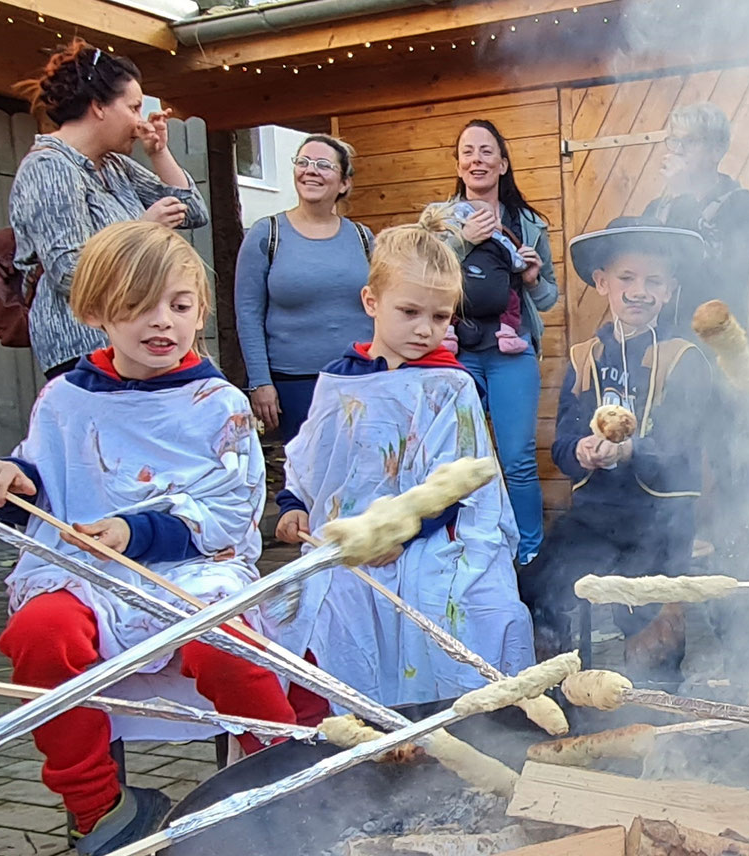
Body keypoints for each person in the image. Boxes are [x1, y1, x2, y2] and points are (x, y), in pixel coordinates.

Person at [0, 221, 295, 856]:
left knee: (229, 642)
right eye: (138, 306)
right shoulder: (65, 398)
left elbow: (232, 512)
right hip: (93, 573)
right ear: (96, 312)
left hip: (192, 566)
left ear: (200, 312)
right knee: (39, 633)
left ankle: (287, 791)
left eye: (180, 305)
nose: (162, 322)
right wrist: (14, 477)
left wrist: (136, 529)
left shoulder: (220, 405)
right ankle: (102, 815)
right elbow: (45, 470)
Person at [272, 225, 532, 707]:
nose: (424, 329)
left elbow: (462, 482)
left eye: (439, 317)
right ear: (372, 301)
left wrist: (403, 531)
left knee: (467, 605)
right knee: (323, 601)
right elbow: (312, 457)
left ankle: (450, 723)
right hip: (348, 535)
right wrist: (293, 504)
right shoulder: (338, 380)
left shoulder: (447, 386)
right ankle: (341, 729)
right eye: (409, 312)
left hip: (432, 534)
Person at [519, 219, 712, 677]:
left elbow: (682, 440)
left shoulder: (683, 357)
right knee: (537, 585)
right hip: (597, 513)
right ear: (603, 283)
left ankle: (654, 711)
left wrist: (630, 452)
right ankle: (562, 688)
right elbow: (562, 442)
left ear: (669, 290)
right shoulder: (584, 357)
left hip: (661, 516)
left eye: (654, 281)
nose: (639, 291)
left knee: (648, 615)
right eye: (626, 278)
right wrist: (581, 451)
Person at [8, 38, 208, 379]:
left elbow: (193, 211)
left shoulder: (115, 165)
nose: (139, 121)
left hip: (135, 342)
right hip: (84, 350)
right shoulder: (50, 167)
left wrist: (159, 152)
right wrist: (143, 229)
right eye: (133, 108)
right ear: (99, 106)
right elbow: (69, 272)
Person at [434, 118, 559, 565]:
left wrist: (532, 277)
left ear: (503, 164)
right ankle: (461, 548)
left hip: (512, 353)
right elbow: (422, 280)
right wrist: (460, 244)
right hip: (454, 355)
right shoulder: (438, 220)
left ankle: (530, 556)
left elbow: (548, 298)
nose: (477, 159)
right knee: (454, 460)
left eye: (487, 151)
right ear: (458, 164)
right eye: (468, 151)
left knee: (518, 460)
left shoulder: (529, 225)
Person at [234, 134, 373, 442]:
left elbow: (385, 304)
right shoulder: (266, 234)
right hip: (294, 387)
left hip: (361, 379)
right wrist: (260, 382)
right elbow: (247, 313)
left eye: (323, 165)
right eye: (304, 162)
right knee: (306, 479)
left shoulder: (363, 238)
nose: (311, 170)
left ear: (344, 183)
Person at [639, 102, 749, 332]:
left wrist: (683, 197)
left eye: (691, 141)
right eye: (674, 141)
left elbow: (723, 276)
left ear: (717, 150)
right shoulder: (656, 209)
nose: (678, 150)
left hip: (716, 340)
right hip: (662, 339)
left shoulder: (739, 203)